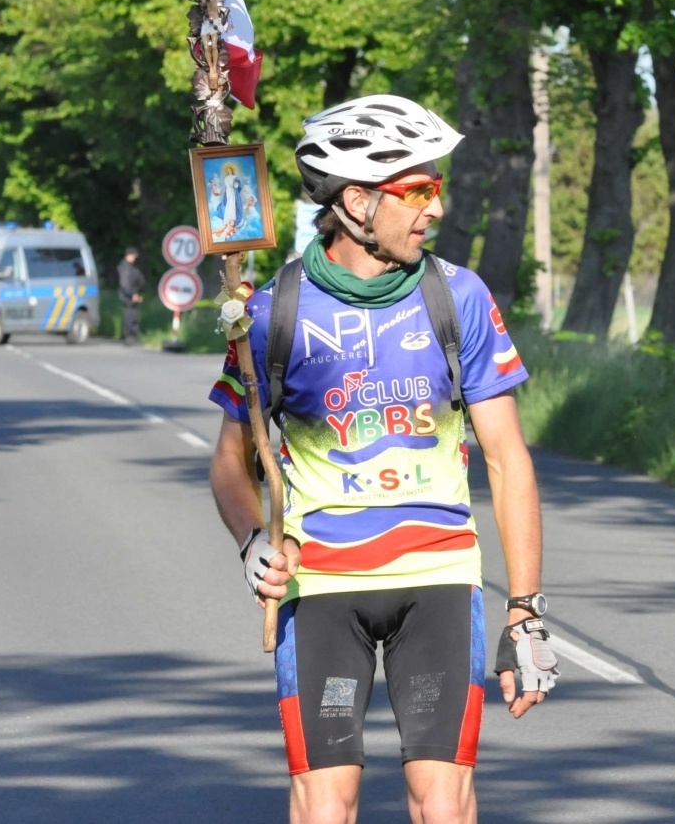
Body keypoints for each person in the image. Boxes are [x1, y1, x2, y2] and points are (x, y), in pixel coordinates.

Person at [208, 95, 557, 824]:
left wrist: (525, 611)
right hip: (319, 584)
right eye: (419, 190)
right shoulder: (272, 312)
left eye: (437, 187)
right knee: (325, 801)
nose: (435, 207)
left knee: (442, 798)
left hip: (438, 578)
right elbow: (231, 460)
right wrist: (250, 541)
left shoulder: (456, 296)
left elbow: (507, 456)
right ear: (358, 202)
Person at [117, 247, 145, 346]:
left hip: (132, 294)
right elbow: (125, 284)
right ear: (128, 255)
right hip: (128, 296)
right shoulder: (125, 267)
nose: (135, 258)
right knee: (129, 316)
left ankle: (132, 337)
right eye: (133, 256)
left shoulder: (130, 267)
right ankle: (129, 338)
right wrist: (132, 294)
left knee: (133, 316)